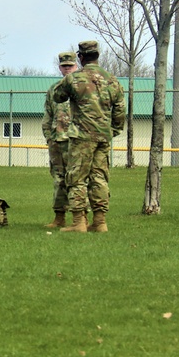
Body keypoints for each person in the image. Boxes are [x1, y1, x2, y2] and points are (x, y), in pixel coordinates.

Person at [52, 40, 125, 233]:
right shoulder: (112, 80)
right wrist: (114, 130)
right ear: (97, 56)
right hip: (103, 137)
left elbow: (57, 96)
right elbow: (120, 109)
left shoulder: (74, 79)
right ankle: (100, 222)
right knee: (99, 177)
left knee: (76, 178)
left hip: (82, 137)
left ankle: (79, 222)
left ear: (81, 57)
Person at [42, 51, 78, 228]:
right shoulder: (54, 90)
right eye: (64, 66)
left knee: (78, 180)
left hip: (77, 142)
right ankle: (59, 217)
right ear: (60, 68)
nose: (67, 69)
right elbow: (48, 115)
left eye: (70, 66)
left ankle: (80, 219)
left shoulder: (82, 87)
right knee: (59, 179)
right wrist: (49, 138)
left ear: (76, 66)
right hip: (57, 142)